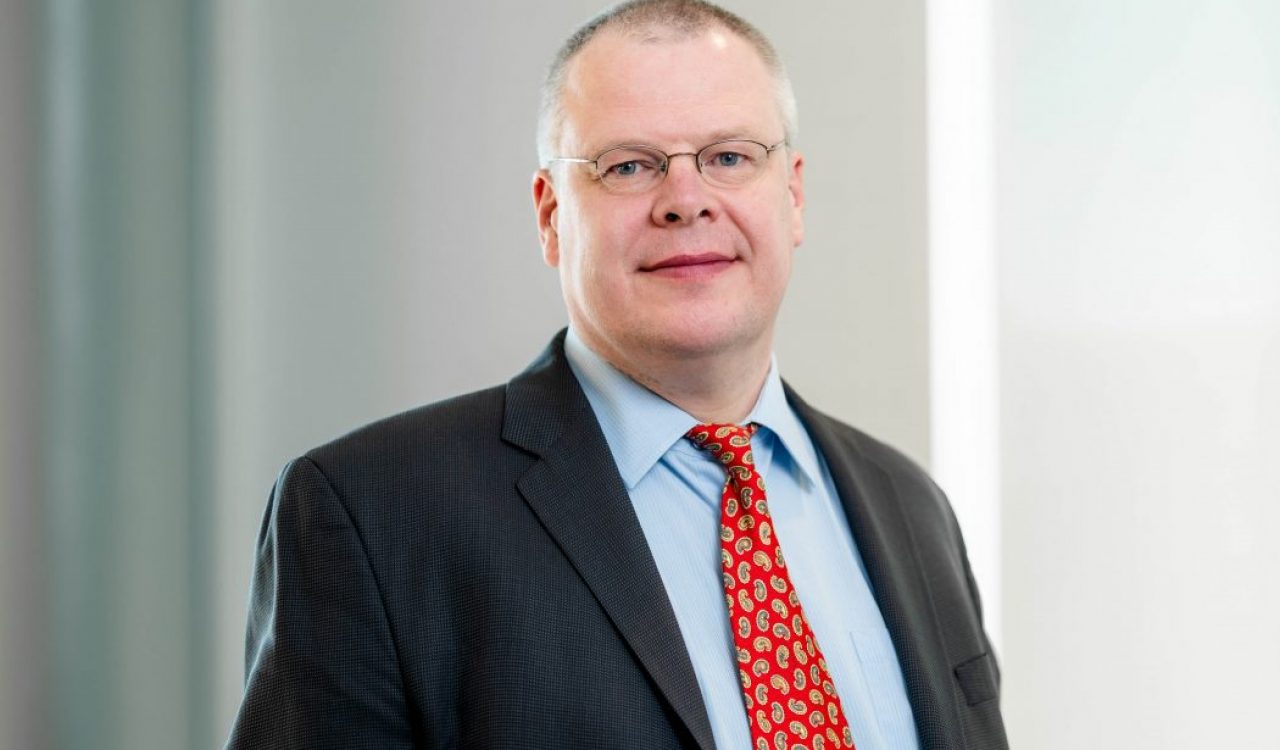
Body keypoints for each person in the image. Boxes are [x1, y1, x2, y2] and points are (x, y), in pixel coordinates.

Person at [224, 1, 1008, 748]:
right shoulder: (373, 516)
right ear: (549, 215)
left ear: (793, 195)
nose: (686, 201)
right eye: (629, 166)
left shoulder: (912, 509)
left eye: (729, 157)